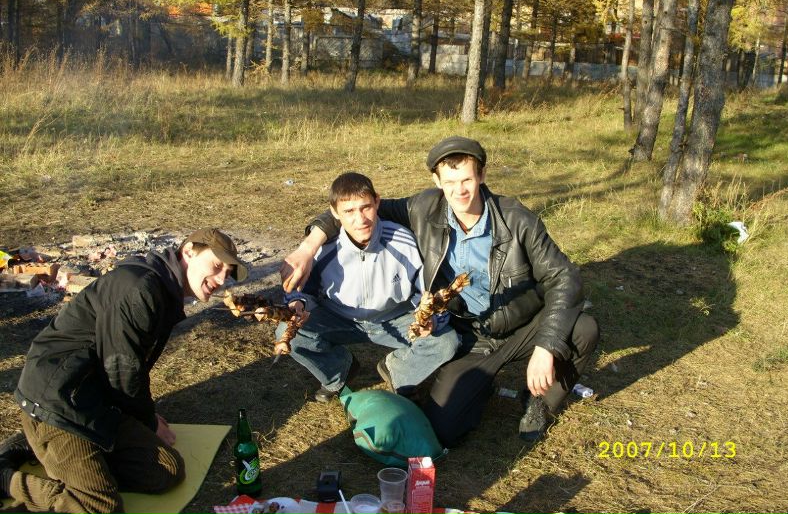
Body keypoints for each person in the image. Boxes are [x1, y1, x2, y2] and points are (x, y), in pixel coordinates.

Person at [282, 137, 599, 446]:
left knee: (583, 329)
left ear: (482, 176)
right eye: (450, 182)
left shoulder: (517, 220)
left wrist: (546, 346)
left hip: (524, 324)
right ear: (437, 181)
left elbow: (564, 277)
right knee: (444, 429)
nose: (459, 191)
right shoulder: (424, 208)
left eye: (467, 180)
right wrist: (308, 248)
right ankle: (479, 385)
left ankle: (540, 402)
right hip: (472, 336)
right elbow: (352, 212)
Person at [0, 229, 248, 514]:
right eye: (216, 266)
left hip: (95, 400)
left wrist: (143, 419)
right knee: (99, 507)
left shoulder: (162, 288)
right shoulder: (140, 289)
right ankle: (8, 479)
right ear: (189, 251)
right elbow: (121, 370)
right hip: (58, 400)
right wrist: (148, 422)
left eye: (227, 273)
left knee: (165, 471)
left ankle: (40, 450)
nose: (221, 280)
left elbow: (127, 368)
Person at [276, 172, 460, 403]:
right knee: (286, 333)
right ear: (334, 213)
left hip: (394, 319)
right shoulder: (323, 249)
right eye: (349, 211)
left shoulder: (403, 241)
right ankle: (339, 372)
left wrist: (429, 319)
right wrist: (297, 304)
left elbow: (424, 293)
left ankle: (399, 372)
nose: (360, 219)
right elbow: (301, 291)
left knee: (446, 342)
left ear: (377, 202)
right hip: (339, 319)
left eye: (366, 208)